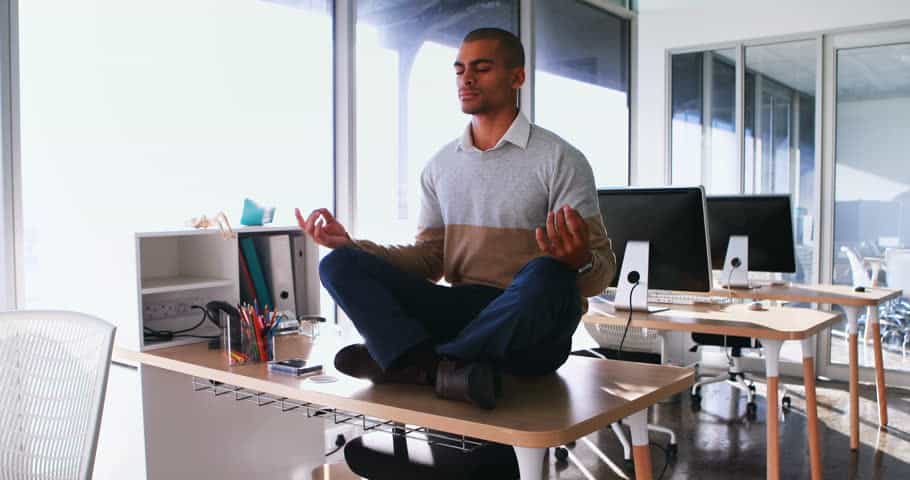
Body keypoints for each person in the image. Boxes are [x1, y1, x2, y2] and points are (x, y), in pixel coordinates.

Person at [296, 28, 615, 409]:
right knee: (338, 264)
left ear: (517, 77)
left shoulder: (560, 160)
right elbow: (431, 260)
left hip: (533, 324)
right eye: (460, 69)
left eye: (481, 68)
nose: (466, 78)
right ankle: (434, 368)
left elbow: (601, 272)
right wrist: (352, 246)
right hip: (462, 308)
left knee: (546, 275)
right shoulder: (441, 166)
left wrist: (578, 261)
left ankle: (408, 360)